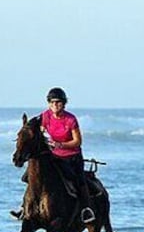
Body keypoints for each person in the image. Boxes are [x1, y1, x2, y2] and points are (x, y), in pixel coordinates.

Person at [11, 87, 96, 223]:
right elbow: (38, 131)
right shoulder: (46, 116)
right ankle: (25, 207)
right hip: (54, 155)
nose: (55, 105)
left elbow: (77, 141)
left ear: (63, 103)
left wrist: (60, 145)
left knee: (78, 180)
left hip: (71, 156)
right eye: (52, 102)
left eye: (58, 102)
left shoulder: (70, 119)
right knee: (30, 177)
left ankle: (85, 210)